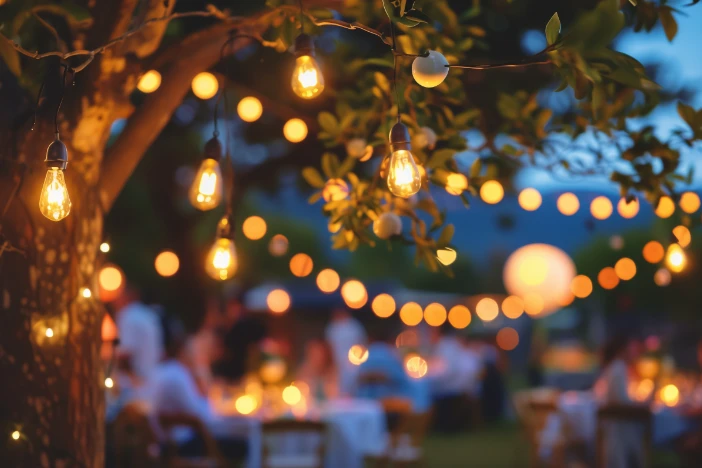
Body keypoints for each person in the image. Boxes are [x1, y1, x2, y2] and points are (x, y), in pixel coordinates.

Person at [147, 317, 247, 460]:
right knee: (242, 445)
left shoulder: (161, 371)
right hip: (181, 445)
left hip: (166, 443)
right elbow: (202, 416)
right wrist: (203, 385)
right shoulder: (178, 375)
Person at [593, 336, 644, 468]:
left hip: (614, 424)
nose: (634, 352)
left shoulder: (614, 367)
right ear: (623, 350)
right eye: (631, 348)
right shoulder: (618, 368)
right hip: (619, 425)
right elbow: (622, 401)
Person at [354, 325, 430, 413]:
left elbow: (360, 378)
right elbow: (400, 378)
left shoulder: (368, 355)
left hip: (369, 405)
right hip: (392, 407)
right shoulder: (390, 355)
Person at [113, 284, 163, 380]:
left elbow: (125, 354)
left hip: (137, 382)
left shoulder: (127, 315)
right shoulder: (148, 314)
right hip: (154, 377)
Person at [325, 308, 367, 395]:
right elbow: (329, 345)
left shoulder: (354, 326)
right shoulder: (332, 327)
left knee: (354, 384)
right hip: (336, 362)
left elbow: (361, 343)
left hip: (354, 362)